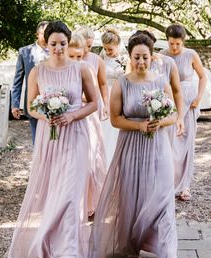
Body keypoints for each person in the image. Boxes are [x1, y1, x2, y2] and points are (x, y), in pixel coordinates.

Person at [7, 21, 98, 258]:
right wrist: (46, 115)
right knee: (53, 192)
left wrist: (72, 116)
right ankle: (49, 242)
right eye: (54, 43)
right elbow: (31, 107)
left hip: (76, 135)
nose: (58, 48)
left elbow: (94, 103)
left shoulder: (81, 70)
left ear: (69, 44)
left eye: (63, 43)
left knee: (71, 195)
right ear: (46, 44)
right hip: (50, 137)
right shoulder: (37, 72)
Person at [89, 33, 181, 258]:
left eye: (145, 57)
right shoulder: (122, 83)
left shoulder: (161, 81)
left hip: (158, 144)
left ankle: (169, 250)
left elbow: (173, 114)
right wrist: (139, 125)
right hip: (130, 144)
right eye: (137, 57)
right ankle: (132, 245)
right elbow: (116, 120)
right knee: (132, 195)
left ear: (152, 57)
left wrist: (160, 122)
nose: (141, 62)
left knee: (161, 194)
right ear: (130, 57)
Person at [164, 23, 207, 202]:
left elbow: (203, 76)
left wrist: (198, 97)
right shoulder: (163, 56)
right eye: (171, 43)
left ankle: (185, 186)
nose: (174, 48)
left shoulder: (191, 55)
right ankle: (169, 184)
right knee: (171, 144)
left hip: (188, 103)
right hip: (170, 103)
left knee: (187, 144)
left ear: (183, 42)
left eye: (177, 44)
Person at [68, 33, 106, 218]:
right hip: (69, 119)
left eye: (79, 56)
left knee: (90, 161)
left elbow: (94, 96)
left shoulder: (86, 69)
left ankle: (91, 201)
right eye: (71, 56)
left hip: (87, 118)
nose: (76, 60)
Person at [131, 29, 185, 138]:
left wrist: (180, 117)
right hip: (138, 121)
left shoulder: (168, 62)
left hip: (164, 119)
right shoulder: (134, 62)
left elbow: (177, 91)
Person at [11, 20, 49, 143]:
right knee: (37, 141)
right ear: (37, 34)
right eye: (43, 33)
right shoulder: (25, 52)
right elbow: (18, 80)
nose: (46, 36)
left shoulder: (57, 51)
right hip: (33, 102)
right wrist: (15, 104)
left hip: (54, 100)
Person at [99, 26, 127, 166]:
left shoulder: (125, 59)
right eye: (105, 48)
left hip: (119, 94)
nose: (107, 52)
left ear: (117, 46)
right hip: (105, 95)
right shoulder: (102, 57)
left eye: (110, 49)